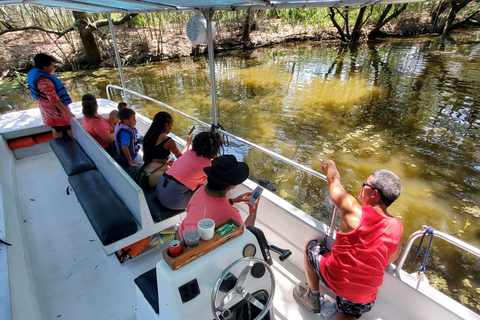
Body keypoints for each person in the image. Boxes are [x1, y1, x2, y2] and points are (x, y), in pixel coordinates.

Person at [294, 159, 403, 320]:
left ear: (374, 194)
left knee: (312, 246)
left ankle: (313, 297)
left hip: (335, 279)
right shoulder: (397, 226)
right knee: (348, 312)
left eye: (365, 183)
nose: (362, 184)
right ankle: (344, 312)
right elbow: (389, 260)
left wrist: (330, 165)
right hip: (365, 297)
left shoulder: (353, 209)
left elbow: (333, 181)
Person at [178, 155, 260, 235]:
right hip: (194, 248)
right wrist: (253, 212)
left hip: (180, 234)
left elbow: (211, 206)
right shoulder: (231, 214)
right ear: (230, 186)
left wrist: (231, 201)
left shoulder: (200, 190)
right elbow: (247, 235)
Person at [156, 131, 222, 211]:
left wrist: (188, 142)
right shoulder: (207, 165)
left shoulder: (189, 153)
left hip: (160, 189)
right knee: (206, 190)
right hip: (171, 201)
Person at [27, 53, 75, 138]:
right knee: (68, 127)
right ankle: (74, 144)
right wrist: (67, 112)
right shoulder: (44, 81)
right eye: (52, 66)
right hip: (55, 111)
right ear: (45, 68)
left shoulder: (38, 75)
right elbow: (54, 100)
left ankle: (62, 145)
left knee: (57, 128)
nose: (54, 68)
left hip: (46, 108)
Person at [142, 111, 192, 187]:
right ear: (166, 125)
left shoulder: (148, 136)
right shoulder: (168, 141)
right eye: (171, 126)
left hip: (146, 170)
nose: (171, 128)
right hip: (155, 177)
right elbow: (180, 157)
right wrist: (188, 142)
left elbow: (156, 154)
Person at [114, 108, 143, 174]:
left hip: (126, 155)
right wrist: (130, 160)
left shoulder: (120, 125)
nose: (135, 121)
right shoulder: (125, 132)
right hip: (131, 157)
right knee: (145, 163)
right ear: (126, 121)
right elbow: (124, 146)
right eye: (133, 119)